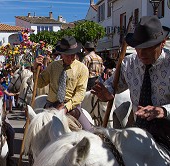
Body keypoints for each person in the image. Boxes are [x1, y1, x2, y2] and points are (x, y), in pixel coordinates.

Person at [91, 16, 170, 150]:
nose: (141, 53)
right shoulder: (129, 63)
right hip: (138, 131)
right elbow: (112, 83)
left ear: (163, 42)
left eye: (148, 47)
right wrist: (108, 92)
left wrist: (164, 110)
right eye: (137, 47)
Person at [33, 36, 93, 131]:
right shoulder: (53, 66)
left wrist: (66, 107)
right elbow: (40, 84)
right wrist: (35, 69)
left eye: (73, 54)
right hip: (51, 106)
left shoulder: (82, 68)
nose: (70, 57)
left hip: (72, 107)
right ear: (61, 53)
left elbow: (80, 93)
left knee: (90, 131)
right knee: (35, 132)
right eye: (67, 55)